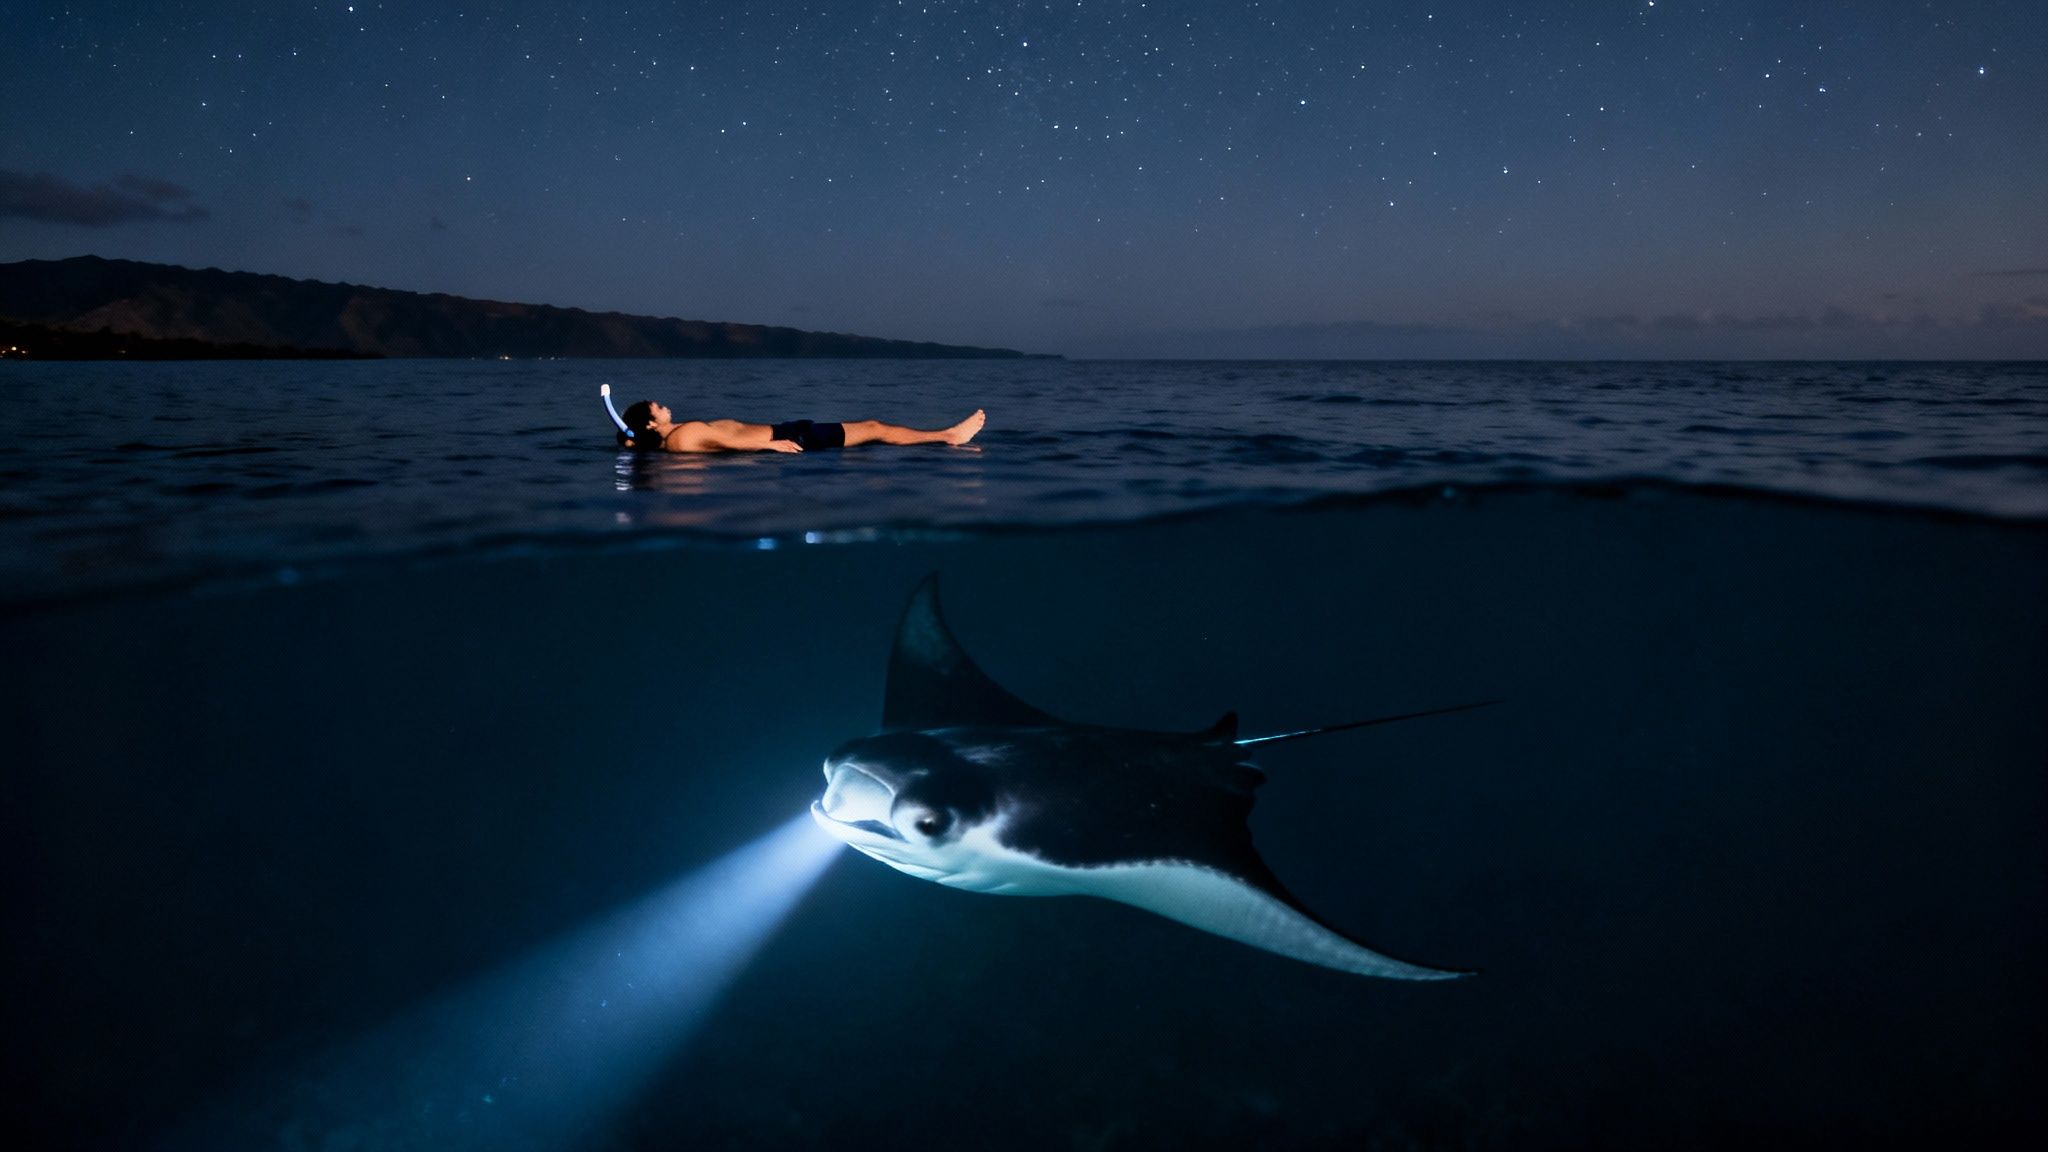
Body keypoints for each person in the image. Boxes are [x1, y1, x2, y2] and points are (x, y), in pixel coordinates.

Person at [616, 400, 985, 453]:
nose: (665, 406)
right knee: (874, 427)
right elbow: (728, 444)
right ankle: (949, 436)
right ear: (651, 420)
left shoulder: (672, 439)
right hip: (789, 438)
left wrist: (631, 439)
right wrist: (769, 446)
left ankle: (945, 437)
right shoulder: (684, 435)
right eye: (657, 407)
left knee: (866, 448)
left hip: (787, 433)